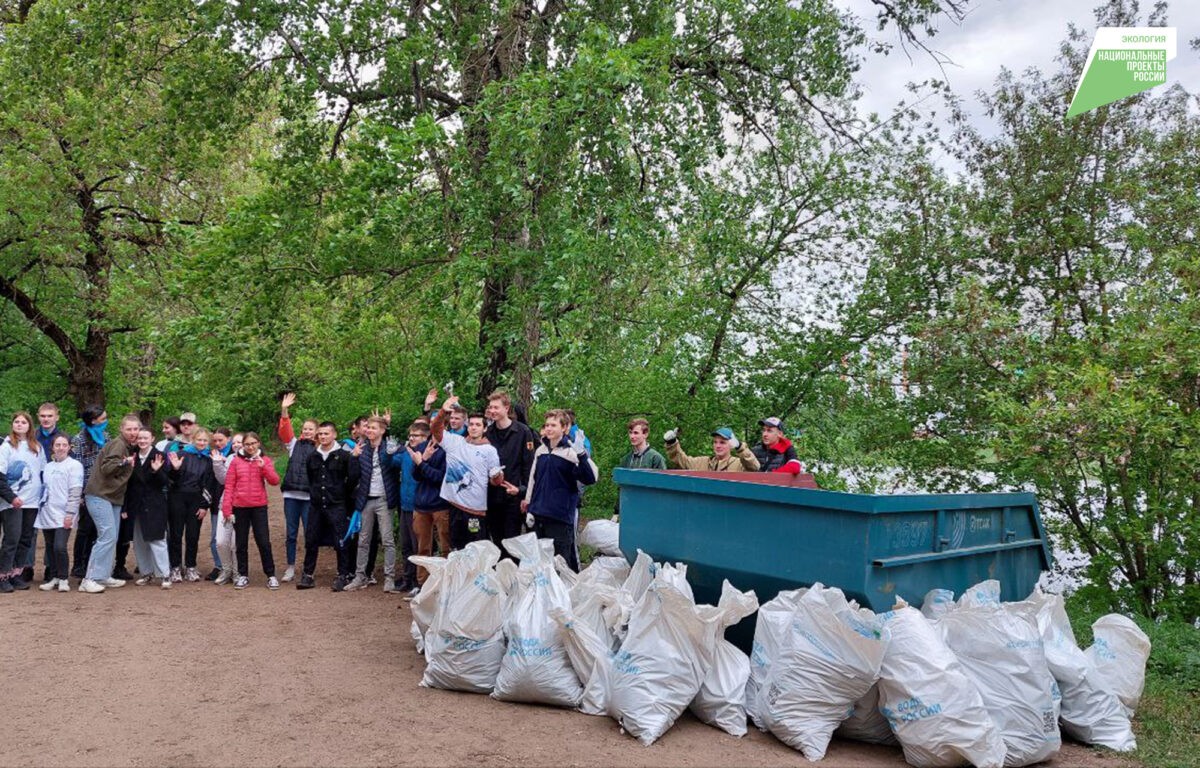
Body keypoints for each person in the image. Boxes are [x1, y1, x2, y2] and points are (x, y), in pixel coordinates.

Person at [522, 409, 598, 571]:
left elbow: (591, 478)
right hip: (539, 515)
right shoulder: (541, 451)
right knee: (541, 564)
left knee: (560, 564)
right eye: (547, 425)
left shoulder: (571, 453)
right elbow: (533, 480)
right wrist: (530, 506)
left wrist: (582, 455)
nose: (549, 428)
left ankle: (563, 594)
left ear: (564, 428)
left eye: (553, 425)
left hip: (560, 518)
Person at [431, 396, 505, 552]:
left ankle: (478, 576)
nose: (473, 427)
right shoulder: (455, 442)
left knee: (476, 548)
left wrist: (497, 475)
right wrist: (443, 411)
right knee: (456, 548)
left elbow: (496, 482)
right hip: (455, 507)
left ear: (484, 429)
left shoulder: (490, 451)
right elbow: (435, 429)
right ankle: (460, 577)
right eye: (471, 424)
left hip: (475, 512)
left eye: (478, 425)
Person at [80, 413, 141, 594]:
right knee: (106, 536)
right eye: (129, 429)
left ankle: (102, 575)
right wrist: (125, 462)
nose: (132, 432)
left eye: (135, 429)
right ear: (121, 429)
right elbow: (107, 468)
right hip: (99, 496)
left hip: (113, 498)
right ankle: (89, 579)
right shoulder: (119, 444)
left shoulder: (129, 446)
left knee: (111, 537)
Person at [298, 421, 360, 591]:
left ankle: (343, 574)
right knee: (311, 539)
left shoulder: (344, 456)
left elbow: (352, 478)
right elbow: (311, 478)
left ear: (334, 435)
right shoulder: (313, 456)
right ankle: (308, 574)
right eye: (321, 434)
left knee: (340, 539)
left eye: (326, 433)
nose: (323, 437)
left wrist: (340, 494)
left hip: (337, 504)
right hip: (317, 504)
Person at [221, 432, 281, 589]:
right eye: (247, 444)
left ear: (258, 443)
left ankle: (271, 575)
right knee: (241, 543)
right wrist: (227, 509)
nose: (250, 447)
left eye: (253, 443)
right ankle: (243, 575)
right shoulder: (235, 462)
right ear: (243, 446)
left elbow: (275, 481)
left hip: (258, 506)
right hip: (239, 507)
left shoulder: (265, 460)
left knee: (263, 541)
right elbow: (229, 486)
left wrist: (264, 468)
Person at [345, 416, 399, 592]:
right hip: (366, 498)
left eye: (373, 428)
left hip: (385, 498)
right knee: (363, 539)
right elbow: (353, 477)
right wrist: (353, 458)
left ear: (382, 430)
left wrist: (391, 454)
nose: (369, 430)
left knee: (388, 540)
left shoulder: (390, 447)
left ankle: (389, 578)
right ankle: (360, 576)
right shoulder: (362, 448)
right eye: (367, 427)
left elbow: (396, 467)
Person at [484, 390, 537, 551]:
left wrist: (524, 494)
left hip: (513, 496)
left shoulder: (523, 432)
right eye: (490, 407)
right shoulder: (488, 433)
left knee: (512, 542)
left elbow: (529, 467)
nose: (492, 411)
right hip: (492, 497)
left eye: (496, 407)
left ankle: (512, 574)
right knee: (497, 541)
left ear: (506, 408)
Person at [2, 411, 46, 590]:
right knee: (11, 538)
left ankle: (16, 574)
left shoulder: (36, 447)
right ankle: (2, 575)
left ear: (30, 426)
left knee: (25, 539)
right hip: (13, 502)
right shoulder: (6, 447)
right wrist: (11, 498)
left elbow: (42, 473)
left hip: (32, 502)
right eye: (17, 422)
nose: (20, 424)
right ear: (12, 425)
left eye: (24, 422)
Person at [167, 427, 217, 582]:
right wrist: (174, 469)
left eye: (204, 440)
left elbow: (210, 484)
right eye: (199, 440)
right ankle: (175, 567)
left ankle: (190, 566)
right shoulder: (182, 454)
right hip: (177, 497)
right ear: (193, 440)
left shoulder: (209, 459)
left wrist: (204, 505)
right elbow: (170, 479)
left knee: (193, 535)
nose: (201, 443)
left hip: (196, 500)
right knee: (176, 534)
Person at [124, 428, 171, 589]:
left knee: (157, 539)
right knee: (138, 541)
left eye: (146, 438)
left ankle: (165, 574)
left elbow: (166, 482)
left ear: (152, 439)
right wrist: (125, 507)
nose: (142, 441)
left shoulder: (160, 456)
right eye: (140, 438)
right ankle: (147, 572)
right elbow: (128, 484)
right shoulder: (133, 456)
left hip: (154, 504)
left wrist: (156, 471)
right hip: (136, 505)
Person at [35, 434, 82, 592]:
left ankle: (63, 578)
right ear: (52, 447)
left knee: (59, 546)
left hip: (64, 514)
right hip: (47, 512)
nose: (60, 448)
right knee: (49, 547)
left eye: (64, 445)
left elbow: (75, 492)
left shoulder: (74, 465)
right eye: (57, 445)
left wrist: (70, 514)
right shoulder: (48, 467)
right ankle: (53, 577)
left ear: (69, 447)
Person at [277, 393, 317, 583]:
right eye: (305, 428)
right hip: (291, 495)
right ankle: (290, 567)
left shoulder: (320, 448)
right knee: (291, 533)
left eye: (310, 429)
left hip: (310, 498)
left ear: (316, 431)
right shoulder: (294, 444)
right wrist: (285, 410)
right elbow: (285, 431)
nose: (307, 431)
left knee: (310, 534)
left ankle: (309, 569)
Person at [407, 420, 450, 593]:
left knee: (445, 547)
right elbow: (415, 475)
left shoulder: (450, 449)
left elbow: (441, 478)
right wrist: (422, 460)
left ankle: (447, 584)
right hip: (421, 505)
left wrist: (422, 464)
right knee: (422, 548)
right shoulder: (423, 445)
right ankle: (422, 585)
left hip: (441, 504)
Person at [68, 405, 107, 579]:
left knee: (98, 530)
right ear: (93, 420)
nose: (106, 421)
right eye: (103, 418)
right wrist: (81, 494)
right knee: (85, 528)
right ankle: (78, 565)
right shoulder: (79, 439)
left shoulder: (106, 437)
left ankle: (93, 563)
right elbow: (77, 466)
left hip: (104, 490)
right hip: (87, 491)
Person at [613, 418, 667, 520]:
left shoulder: (656, 458)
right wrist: (617, 511)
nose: (632, 436)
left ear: (645, 434)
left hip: (651, 512)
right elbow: (621, 488)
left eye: (636, 433)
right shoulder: (626, 459)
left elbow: (662, 488)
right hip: (629, 511)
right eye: (630, 433)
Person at [394, 420, 421, 593]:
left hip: (419, 506)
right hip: (404, 503)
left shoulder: (428, 453)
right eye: (410, 435)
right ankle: (407, 578)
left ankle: (420, 582)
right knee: (405, 545)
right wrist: (390, 452)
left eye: (416, 435)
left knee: (418, 545)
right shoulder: (405, 453)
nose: (412, 438)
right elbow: (391, 462)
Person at [204, 428, 235, 580]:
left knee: (233, 539)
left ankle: (235, 569)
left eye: (220, 440)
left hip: (235, 502)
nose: (217, 443)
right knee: (216, 539)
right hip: (216, 502)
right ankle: (220, 566)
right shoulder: (212, 455)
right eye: (215, 441)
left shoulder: (233, 455)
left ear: (228, 439)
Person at [664, 426, 760, 471]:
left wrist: (740, 447)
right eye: (715, 442)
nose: (718, 446)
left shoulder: (739, 464)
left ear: (731, 444)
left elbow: (755, 467)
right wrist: (672, 443)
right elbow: (682, 460)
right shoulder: (703, 462)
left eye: (722, 442)